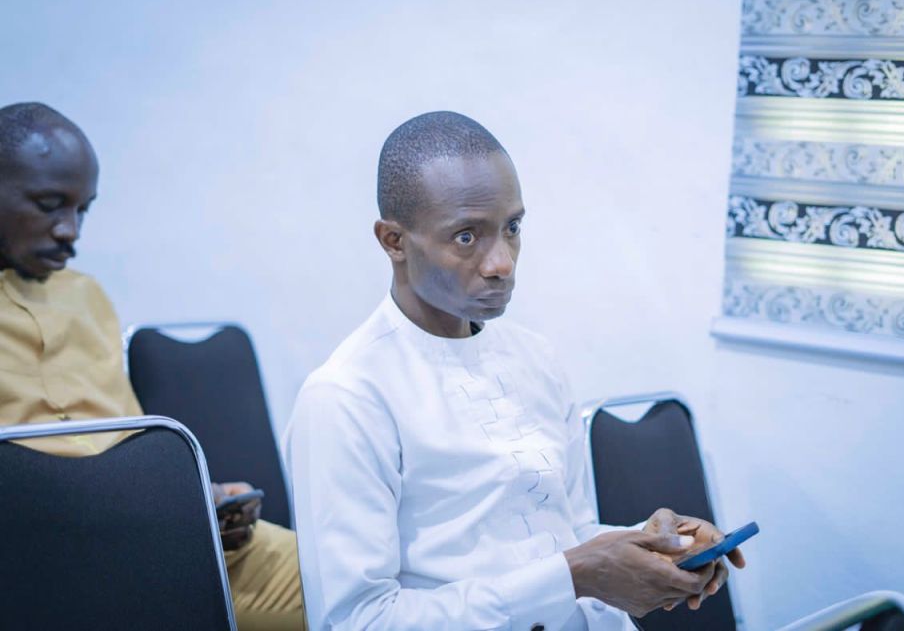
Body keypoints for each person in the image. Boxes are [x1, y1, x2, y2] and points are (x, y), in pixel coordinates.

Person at [285, 111, 745, 630]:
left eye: (512, 228)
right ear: (394, 241)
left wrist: (655, 546)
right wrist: (574, 576)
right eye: (466, 237)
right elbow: (358, 621)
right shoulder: (347, 397)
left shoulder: (534, 359)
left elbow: (567, 534)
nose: (501, 262)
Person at [0, 102, 305, 630]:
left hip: (158, 539)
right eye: (50, 205)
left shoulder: (87, 298)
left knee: (354, 579)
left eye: (83, 210)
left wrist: (200, 500)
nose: (71, 231)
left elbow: (123, 444)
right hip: (47, 562)